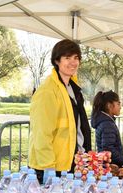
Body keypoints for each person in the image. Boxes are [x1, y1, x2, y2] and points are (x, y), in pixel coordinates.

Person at [29, 39, 91, 184]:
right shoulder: (47, 91)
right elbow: (41, 134)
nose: (73, 62)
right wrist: (48, 168)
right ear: (57, 61)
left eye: (76, 58)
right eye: (67, 58)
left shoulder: (74, 89)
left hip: (71, 165)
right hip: (51, 168)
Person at [91, 90, 123, 167]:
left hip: (107, 165)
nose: (120, 107)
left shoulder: (105, 121)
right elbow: (108, 149)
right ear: (109, 106)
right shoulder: (107, 124)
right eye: (118, 104)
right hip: (111, 167)